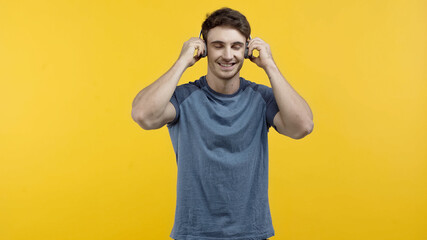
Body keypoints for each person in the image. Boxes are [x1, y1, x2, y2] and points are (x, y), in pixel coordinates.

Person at [131, 7, 313, 240]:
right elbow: (143, 115)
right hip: (195, 234)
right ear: (204, 48)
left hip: (251, 233)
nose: (228, 55)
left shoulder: (260, 98)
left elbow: (302, 126)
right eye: (218, 45)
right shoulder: (183, 97)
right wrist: (183, 61)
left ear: (247, 49)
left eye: (236, 46)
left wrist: (270, 65)